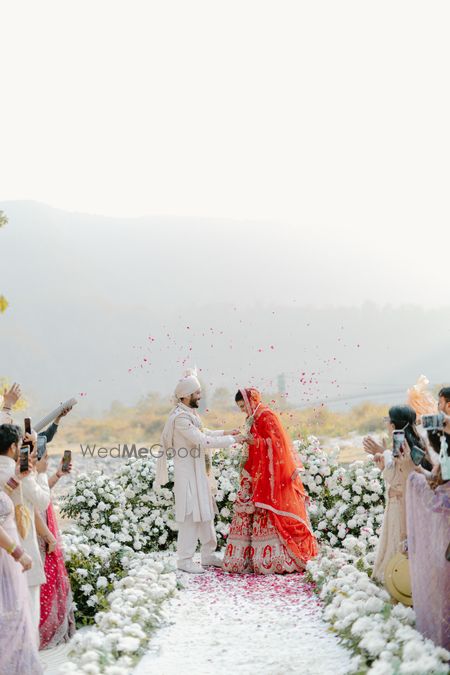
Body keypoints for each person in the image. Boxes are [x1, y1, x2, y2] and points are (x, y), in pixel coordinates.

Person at [155, 369, 243, 574]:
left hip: (199, 472)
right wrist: (234, 440)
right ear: (186, 396)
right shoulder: (180, 418)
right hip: (187, 475)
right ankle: (184, 560)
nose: (200, 396)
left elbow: (204, 432)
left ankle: (207, 555)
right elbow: (202, 440)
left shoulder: (190, 414)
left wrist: (226, 432)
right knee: (190, 515)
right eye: (197, 393)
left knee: (205, 513)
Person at [223, 388, 318, 574]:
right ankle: (253, 560)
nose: (243, 410)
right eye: (240, 407)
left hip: (271, 476)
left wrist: (255, 441)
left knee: (271, 511)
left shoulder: (267, 416)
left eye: (243, 406)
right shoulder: (252, 417)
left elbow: (278, 444)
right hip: (256, 472)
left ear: (251, 401)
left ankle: (278, 560)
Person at [0, 423, 50, 643]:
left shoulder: (14, 474)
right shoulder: (20, 471)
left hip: (6, 550)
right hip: (21, 548)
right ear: (13, 447)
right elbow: (42, 501)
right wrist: (42, 474)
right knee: (28, 611)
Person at [35, 409, 76, 649]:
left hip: (46, 526)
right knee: (43, 580)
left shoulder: (36, 476)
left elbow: (43, 490)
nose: (47, 461)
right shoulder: (26, 478)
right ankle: (41, 630)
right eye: (45, 458)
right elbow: (33, 508)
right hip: (39, 533)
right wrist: (48, 536)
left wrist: (58, 474)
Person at [372, 405, 425, 583]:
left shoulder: (400, 445)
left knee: (399, 539)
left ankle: (400, 580)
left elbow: (398, 478)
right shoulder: (418, 441)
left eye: (387, 420)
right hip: (414, 500)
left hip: (400, 502)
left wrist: (383, 463)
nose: (386, 423)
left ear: (394, 425)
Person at [0, 486, 43, 674]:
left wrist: (15, 480)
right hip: (6, 559)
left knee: (13, 615)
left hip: (8, 562)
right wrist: (18, 553)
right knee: (9, 617)